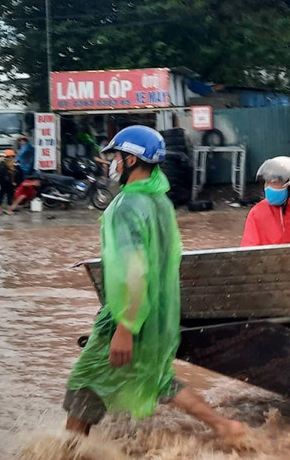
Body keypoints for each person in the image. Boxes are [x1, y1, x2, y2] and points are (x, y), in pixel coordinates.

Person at [63, 126, 246, 443]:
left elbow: (135, 270)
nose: (112, 163)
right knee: (157, 379)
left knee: (85, 381)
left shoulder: (126, 206)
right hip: (158, 313)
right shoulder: (159, 201)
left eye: (116, 156)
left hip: (131, 315)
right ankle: (224, 427)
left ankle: (70, 449)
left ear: (131, 160)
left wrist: (125, 326)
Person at [0, 150, 22, 215]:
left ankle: (2, 210)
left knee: (3, 196)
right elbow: (6, 175)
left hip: (4, 183)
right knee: (7, 196)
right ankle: (7, 210)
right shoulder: (5, 165)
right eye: (12, 156)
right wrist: (12, 182)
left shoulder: (4, 164)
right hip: (7, 183)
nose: (13, 158)